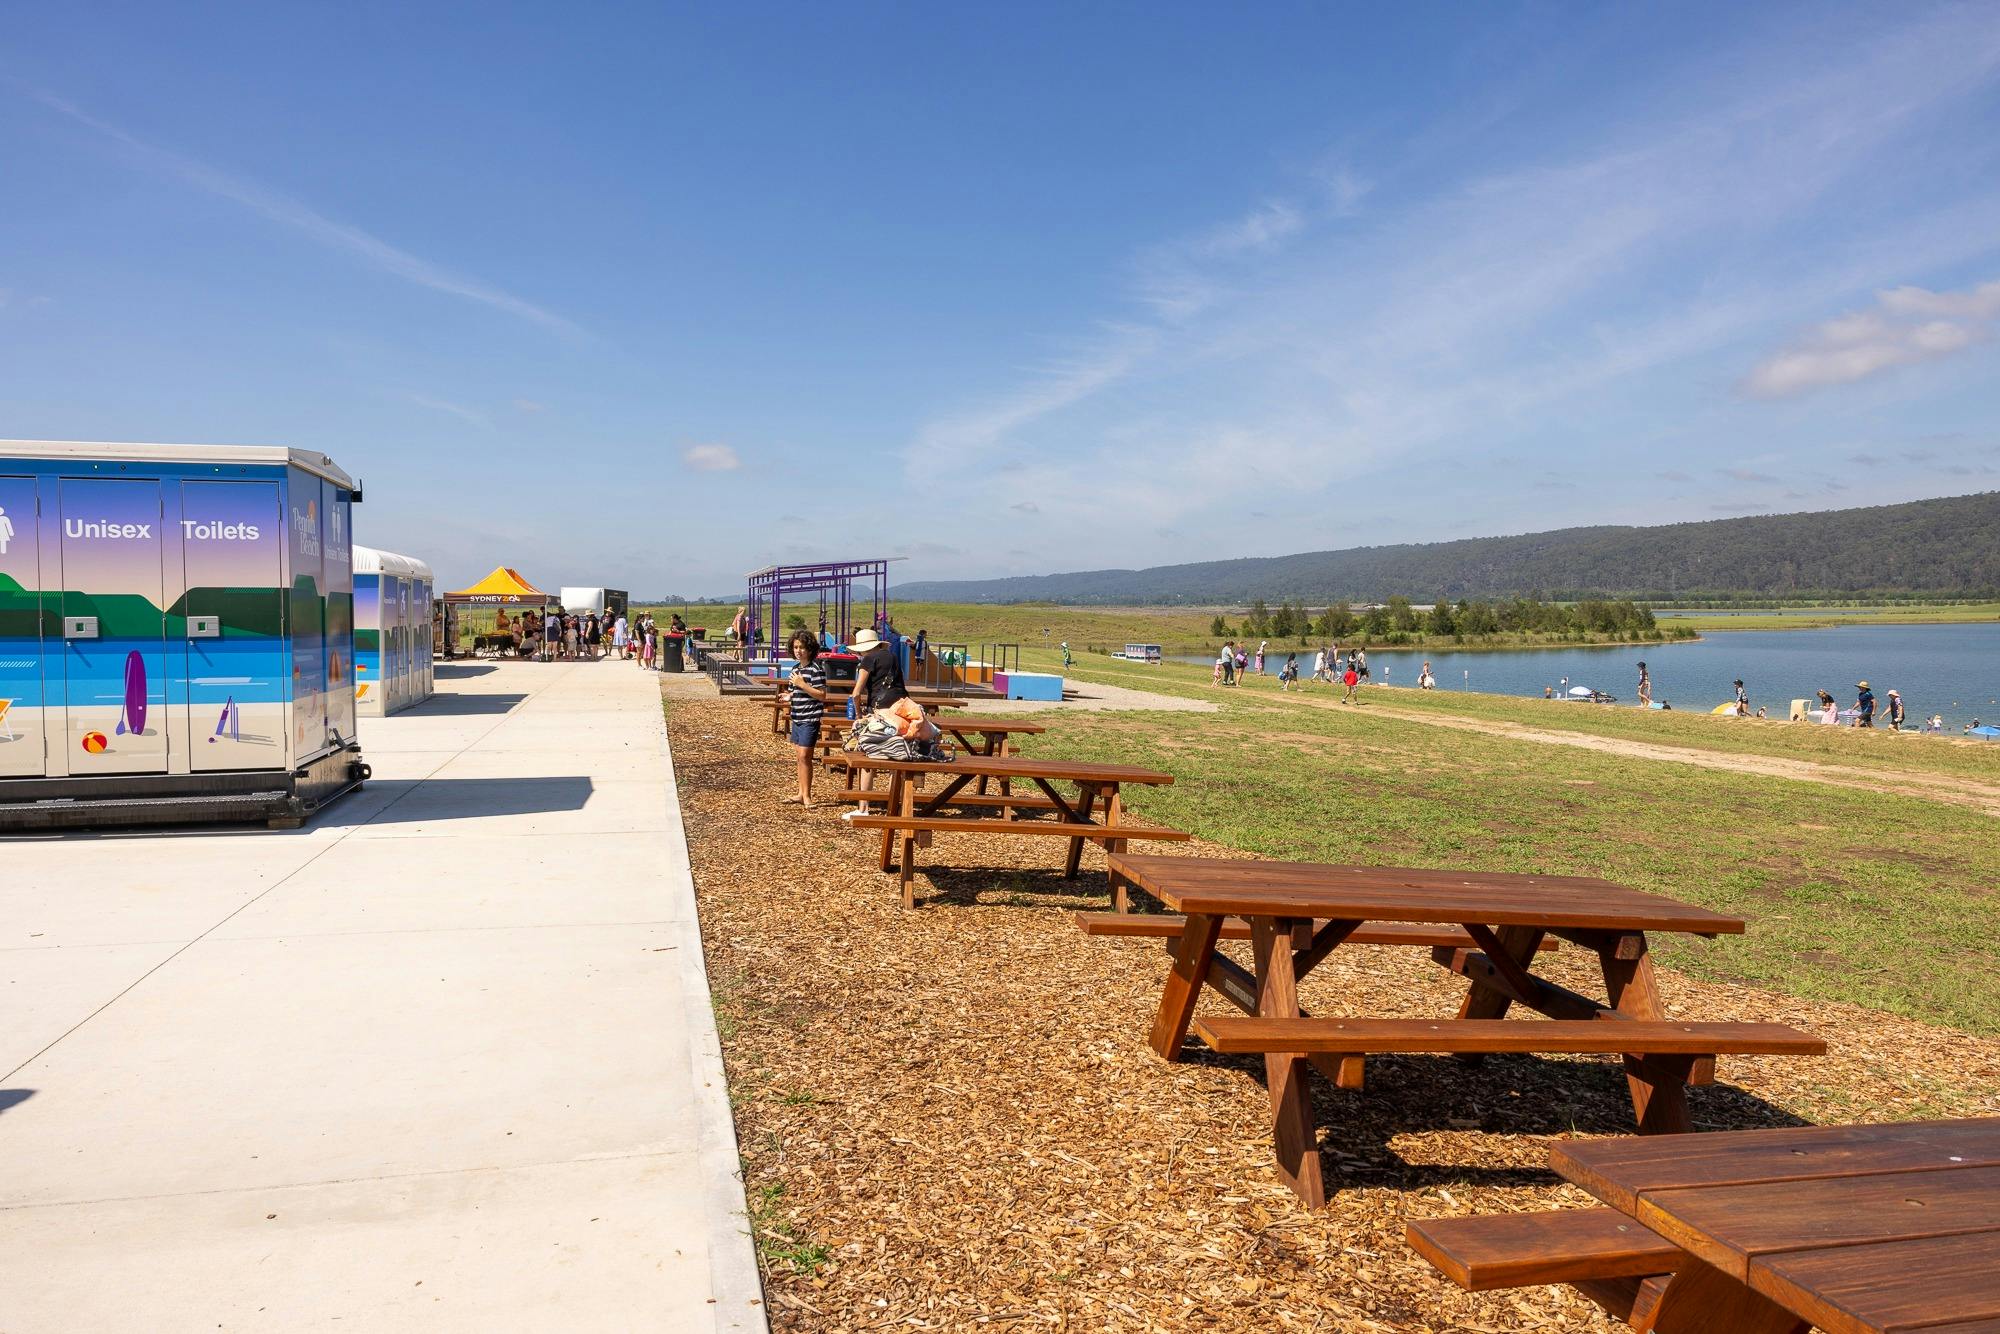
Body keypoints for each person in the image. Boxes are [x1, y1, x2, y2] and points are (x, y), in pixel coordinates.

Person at [782, 631, 828, 807]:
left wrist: (802, 684)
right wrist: (790, 696)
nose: (798, 651)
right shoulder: (795, 669)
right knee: (799, 757)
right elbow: (797, 692)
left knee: (805, 755)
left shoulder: (816, 669)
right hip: (797, 717)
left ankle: (807, 795)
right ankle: (800, 793)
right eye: (795, 647)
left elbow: (822, 695)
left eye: (802, 647)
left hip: (810, 717)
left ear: (810, 649)